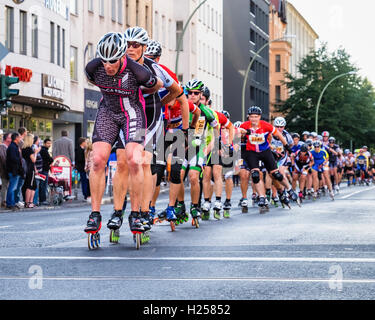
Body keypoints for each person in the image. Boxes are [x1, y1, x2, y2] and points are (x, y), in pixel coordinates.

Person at [84, 32, 162, 234]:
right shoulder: (93, 68)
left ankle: (135, 213)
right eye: (104, 61)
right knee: (98, 159)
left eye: (112, 61)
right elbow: (93, 80)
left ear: (121, 57)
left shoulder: (139, 71)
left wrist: (139, 93)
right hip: (107, 112)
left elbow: (158, 85)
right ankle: (95, 214)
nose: (107, 66)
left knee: (134, 160)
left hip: (132, 113)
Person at [21, 133, 38, 208]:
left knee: (33, 185)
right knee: (30, 185)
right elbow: (33, 160)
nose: (33, 140)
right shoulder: (29, 149)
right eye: (32, 138)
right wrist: (36, 153)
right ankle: (28, 202)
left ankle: (29, 202)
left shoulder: (23, 148)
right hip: (30, 169)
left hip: (27, 168)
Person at [39, 138, 53, 205]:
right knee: (43, 185)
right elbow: (50, 159)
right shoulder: (44, 150)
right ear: (44, 143)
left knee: (43, 185)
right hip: (44, 170)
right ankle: (42, 200)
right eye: (48, 143)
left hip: (44, 169)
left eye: (50, 143)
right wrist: (50, 160)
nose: (49, 145)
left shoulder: (44, 150)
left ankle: (42, 199)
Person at [0, 132, 11, 208]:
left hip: (6, 171)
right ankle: (3, 201)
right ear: (6, 138)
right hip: (3, 171)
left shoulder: (7, 147)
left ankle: (5, 201)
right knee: (4, 186)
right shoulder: (2, 147)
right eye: (10, 137)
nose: (11, 138)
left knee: (6, 186)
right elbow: (4, 159)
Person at [32, 136, 43, 206]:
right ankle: (34, 201)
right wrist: (35, 169)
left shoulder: (37, 147)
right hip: (36, 171)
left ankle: (35, 201)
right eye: (39, 140)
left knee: (37, 186)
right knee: (36, 186)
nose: (40, 141)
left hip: (39, 170)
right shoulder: (34, 147)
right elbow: (33, 160)